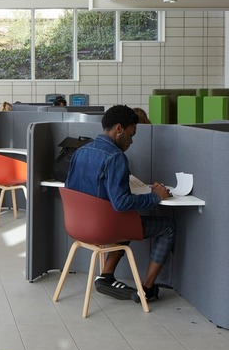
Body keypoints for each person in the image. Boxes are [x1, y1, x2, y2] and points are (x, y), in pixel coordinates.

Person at [65, 104, 175, 302]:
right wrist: (156, 197)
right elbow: (121, 203)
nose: (132, 141)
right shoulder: (116, 157)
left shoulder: (80, 151)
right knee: (167, 227)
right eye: (131, 134)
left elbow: (73, 189)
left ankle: (106, 276)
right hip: (103, 229)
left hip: (77, 227)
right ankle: (147, 289)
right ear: (118, 129)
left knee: (125, 218)